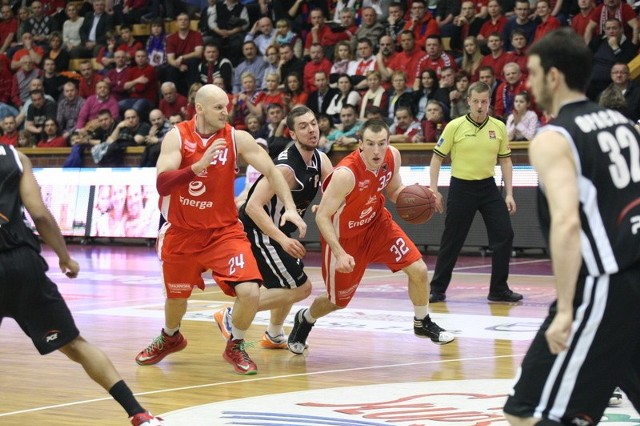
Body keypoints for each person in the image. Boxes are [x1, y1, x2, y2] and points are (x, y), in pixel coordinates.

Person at [503, 27, 640, 426]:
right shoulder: (623, 124)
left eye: (531, 73)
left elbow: (566, 223)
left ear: (554, 76)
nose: (527, 84)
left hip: (603, 284)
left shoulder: (554, 137)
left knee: (527, 410)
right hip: (632, 276)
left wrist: (565, 310)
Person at [134, 84, 306, 375]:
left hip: (224, 232)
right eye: (218, 107)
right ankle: (171, 336)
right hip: (182, 232)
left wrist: (288, 206)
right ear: (199, 108)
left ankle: (235, 344)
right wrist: (197, 166)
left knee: (250, 291)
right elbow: (162, 183)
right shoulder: (177, 137)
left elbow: (272, 171)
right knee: (176, 298)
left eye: (227, 106)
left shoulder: (237, 138)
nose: (226, 112)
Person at [0, 144, 162, 426]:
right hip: (23, 263)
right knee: (75, 344)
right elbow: (39, 214)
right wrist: (65, 257)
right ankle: (138, 413)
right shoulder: (15, 156)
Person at [287, 118, 455, 355]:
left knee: (418, 269)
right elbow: (322, 216)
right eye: (370, 144)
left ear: (388, 142)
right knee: (337, 301)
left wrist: (420, 195)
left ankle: (422, 322)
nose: (377, 151)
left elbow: (395, 192)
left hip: (378, 224)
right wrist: (340, 252)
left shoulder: (393, 156)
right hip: (345, 238)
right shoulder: (346, 174)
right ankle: (306, 318)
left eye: (382, 143)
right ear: (360, 144)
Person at [215, 106, 333, 349]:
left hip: (278, 230)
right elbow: (252, 207)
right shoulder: (286, 169)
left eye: (313, 123)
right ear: (292, 134)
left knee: (289, 280)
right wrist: (282, 240)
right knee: (301, 288)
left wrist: (325, 207)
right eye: (303, 126)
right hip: (258, 230)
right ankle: (232, 314)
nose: (311, 129)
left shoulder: (321, 159)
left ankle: (274, 333)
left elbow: (335, 193)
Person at [428, 81, 522, 303]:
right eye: (476, 101)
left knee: (504, 234)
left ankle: (498, 289)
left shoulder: (498, 127)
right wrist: (434, 190)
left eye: (484, 101)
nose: (480, 106)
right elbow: (436, 158)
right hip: (461, 188)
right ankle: (437, 289)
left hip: (488, 188)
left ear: (489, 102)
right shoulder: (454, 126)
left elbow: (506, 161)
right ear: (468, 101)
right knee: (453, 239)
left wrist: (509, 193)